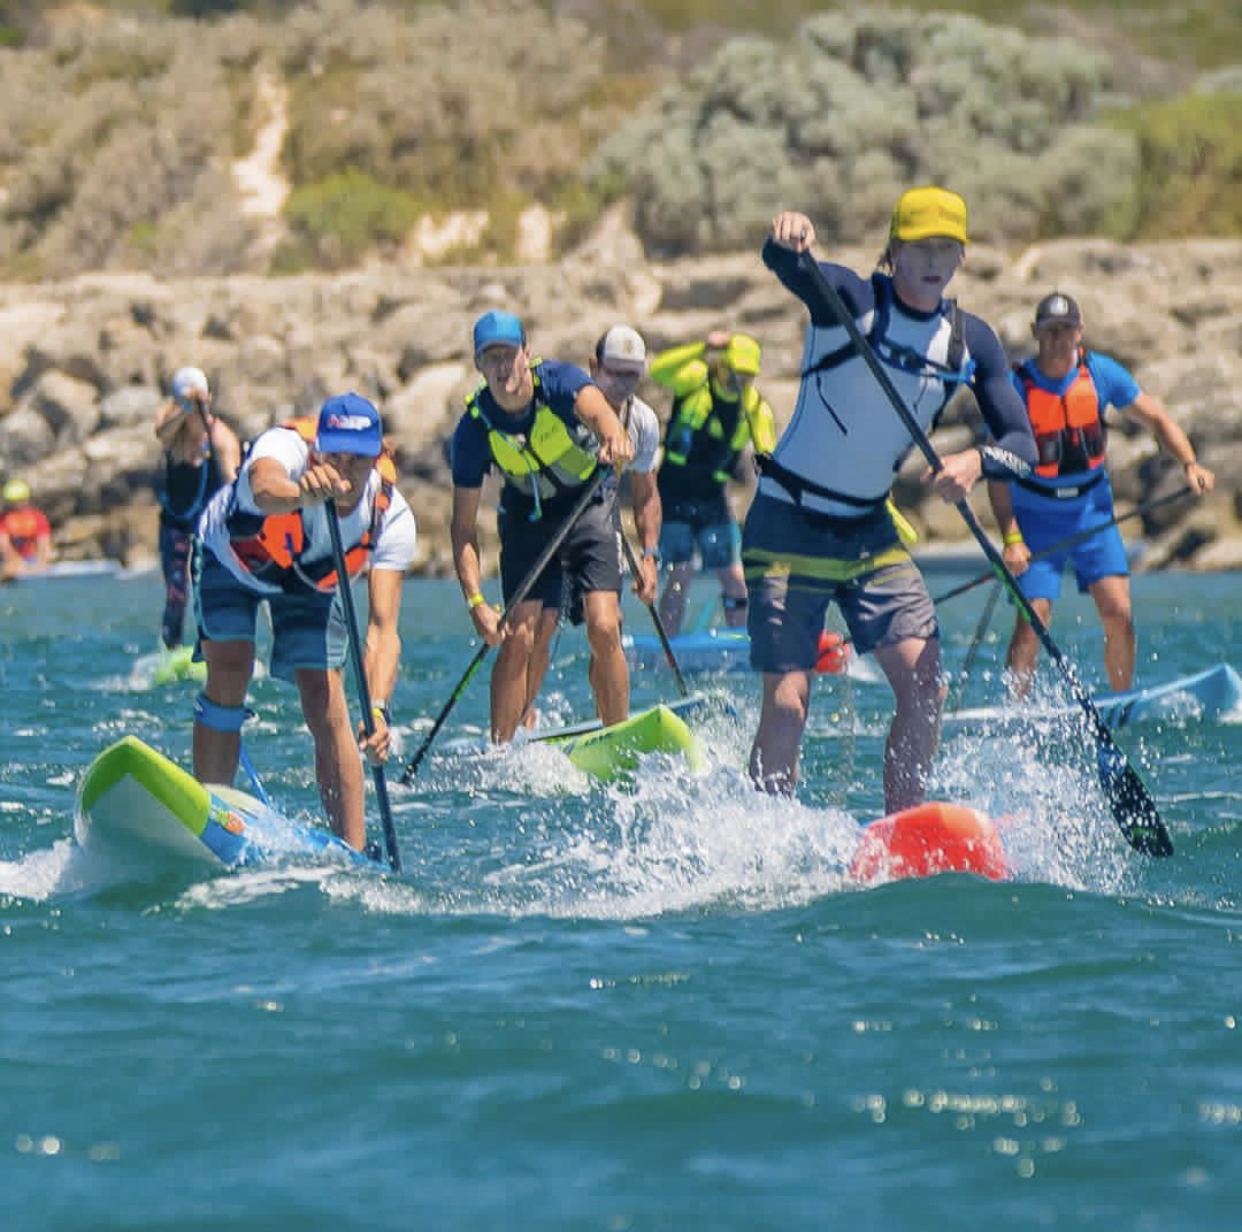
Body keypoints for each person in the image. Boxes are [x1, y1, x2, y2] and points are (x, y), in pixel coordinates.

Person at [745, 187, 1038, 811]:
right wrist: (787, 235)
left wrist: (976, 461)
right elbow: (788, 265)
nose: (933, 260)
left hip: (867, 533)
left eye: (946, 248)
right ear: (894, 254)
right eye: (919, 247)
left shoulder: (970, 343)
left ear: (961, 258)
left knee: (925, 684)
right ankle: (761, 834)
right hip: (786, 523)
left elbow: (1023, 443)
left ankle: (903, 829)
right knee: (790, 697)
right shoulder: (850, 301)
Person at [192, 393, 416, 851]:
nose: (343, 469)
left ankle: (352, 851)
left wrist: (377, 707)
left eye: (357, 459)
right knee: (232, 664)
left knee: (323, 693)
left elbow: (382, 629)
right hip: (232, 562)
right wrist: (303, 494)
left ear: (377, 456)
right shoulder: (286, 449)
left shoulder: (392, 517)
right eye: (333, 454)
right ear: (317, 448)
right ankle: (210, 820)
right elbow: (262, 484)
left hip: (310, 584)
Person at [988, 291, 1215, 698]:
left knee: (1119, 612)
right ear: (1035, 333)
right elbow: (997, 474)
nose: (1058, 339)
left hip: (1092, 511)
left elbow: (1157, 417)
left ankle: (1121, 700)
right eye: (1049, 331)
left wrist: (1189, 463)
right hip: (1035, 517)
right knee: (1032, 619)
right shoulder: (1016, 388)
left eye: (1066, 330)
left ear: (1080, 332)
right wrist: (1011, 538)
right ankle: (1014, 712)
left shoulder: (1101, 374)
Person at [449, 310, 634, 743]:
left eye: (508, 355)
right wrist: (476, 601)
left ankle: (619, 735)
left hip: (587, 503)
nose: (500, 368)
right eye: (489, 359)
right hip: (527, 518)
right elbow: (462, 528)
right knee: (520, 632)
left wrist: (614, 436)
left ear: (525, 354)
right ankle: (501, 750)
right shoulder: (473, 430)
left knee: (603, 625)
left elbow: (597, 410)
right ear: (478, 366)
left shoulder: (558, 382)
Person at [525, 325, 663, 724]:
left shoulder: (643, 422)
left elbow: (646, 494)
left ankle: (613, 730)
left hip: (598, 524)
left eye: (632, 375)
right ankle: (520, 724)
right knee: (541, 627)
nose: (622, 384)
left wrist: (650, 555)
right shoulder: (566, 406)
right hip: (548, 523)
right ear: (593, 366)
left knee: (606, 626)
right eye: (614, 372)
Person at [649, 330, 776, 636]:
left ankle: (743, 644)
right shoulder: (695, 380)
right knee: (681, 571)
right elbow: (657, 370)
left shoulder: (756, 409)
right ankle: (668, 648)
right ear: (720, 365)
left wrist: (768, 465)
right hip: (673, 492)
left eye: (745, 376)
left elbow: (768, 451)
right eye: (731, 372)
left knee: (734, 576)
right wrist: (702, 347)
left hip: (713, 500)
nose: (736, 381)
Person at [153, 366, 241, 649]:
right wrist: (184, 409)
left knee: (209, 588)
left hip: (210, 526)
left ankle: (211, 650)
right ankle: (171, 648)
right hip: (175, 524)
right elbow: (162, 434)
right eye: (184, 403)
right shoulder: (170, 427)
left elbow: (233, 483)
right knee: (176, 592)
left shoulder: (220, 436)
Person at [0, 478, 53, 580]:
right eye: (12, 501)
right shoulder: (3, 520)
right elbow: (4, 546)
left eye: (19, 500)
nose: (16, 505)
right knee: (8, 569)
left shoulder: (37, 517)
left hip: (33, 559)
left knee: (44, 566)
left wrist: (41, 563)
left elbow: (44, 544)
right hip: (12, 562)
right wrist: (17, 563)